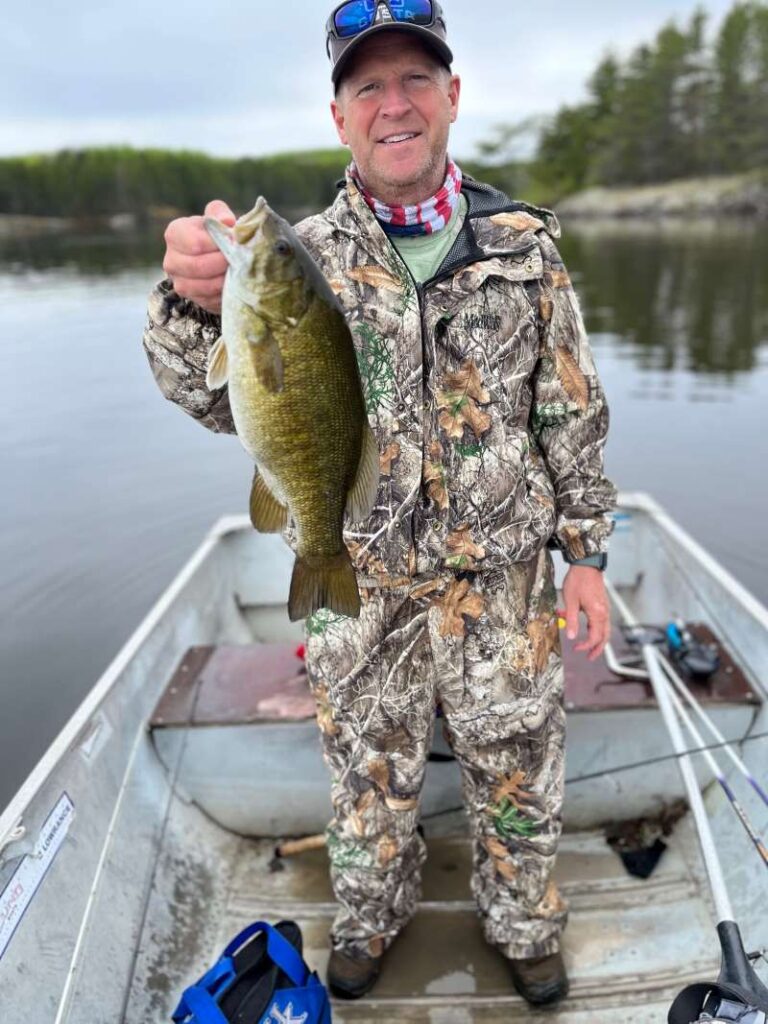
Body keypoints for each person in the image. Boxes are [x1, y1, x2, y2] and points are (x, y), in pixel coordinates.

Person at [142, 0, 618, 1007]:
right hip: (363, 580)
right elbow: (209, 394)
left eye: (414, 81)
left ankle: (524, 925)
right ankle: (369, 921)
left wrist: (587, 553)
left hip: (505, 587)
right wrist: (187, 302)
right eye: (369, 86)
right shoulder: (294, 261)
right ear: (338, 115)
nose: (393, 104)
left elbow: (571, 409)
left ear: (452, 97)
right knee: (367, 783)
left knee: (519, 773)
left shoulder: (525, 248)